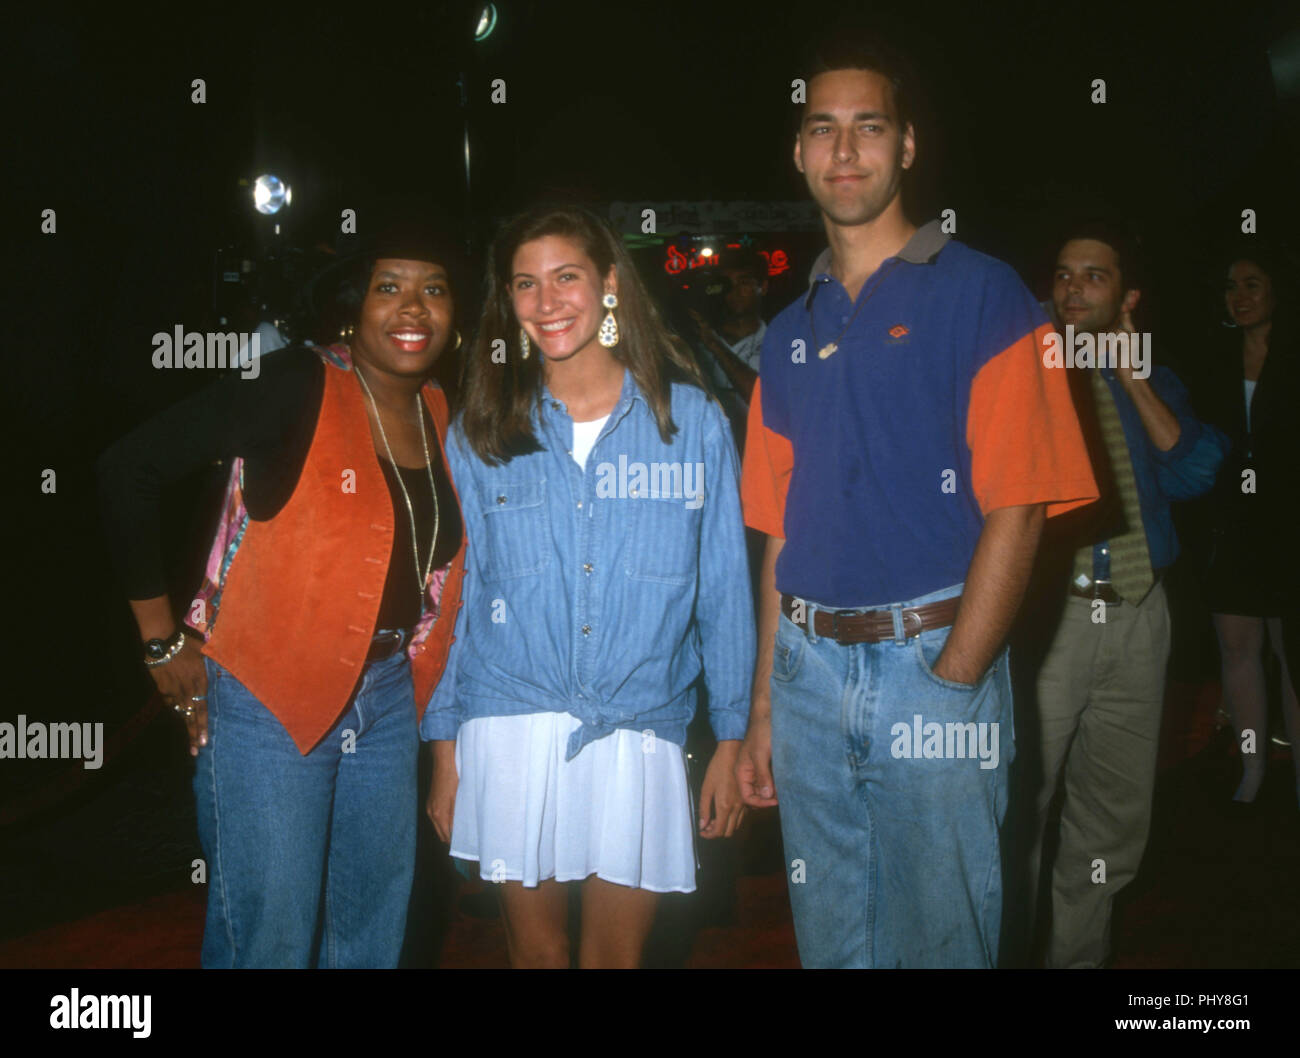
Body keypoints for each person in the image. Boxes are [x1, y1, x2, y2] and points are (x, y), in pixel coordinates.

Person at [735, 33, 1099, 969]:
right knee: (835, 948)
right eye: (823, 129)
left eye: (869, 127)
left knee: (946, 947)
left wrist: (955, 679)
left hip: (931, 664)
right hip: (808, 678)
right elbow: (781, 529)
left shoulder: (988, 295)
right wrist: (766, 710)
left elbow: (1020, 506)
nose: (844, 150)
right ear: (800, 151)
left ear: (906, 148)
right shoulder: (784, 334)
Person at [97, 220, 467, 968]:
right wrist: (161, 640)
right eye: (387, 287)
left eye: (433, 289)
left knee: (370, 935)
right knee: (269, 938)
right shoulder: (296, 383)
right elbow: (126, 468)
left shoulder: (436, 410)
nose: (412, 308)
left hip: (389, 700)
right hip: (272, 698)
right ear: (351, 305)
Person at [421, 204, 754, 969]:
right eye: (525, 285)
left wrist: (732, 736)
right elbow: (451, 600)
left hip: (640, 727)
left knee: (616, 962)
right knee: (536, 957)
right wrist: (444, 749)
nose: (547, 303)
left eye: (566, 277)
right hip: (506, 722)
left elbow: (725, 591)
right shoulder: (479, 431)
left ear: (608, 285)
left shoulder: (691, 421)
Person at [1019, 223, 1228, 969]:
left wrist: (1131, 373)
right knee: (1025, 812)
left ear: (1128, 296)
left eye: (1095, 277)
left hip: (1141, 614)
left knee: (1112, 828)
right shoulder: (1029, 370)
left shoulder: (1153, 380)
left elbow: (1195, 469)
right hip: (1056, 619)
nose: (1072, 289)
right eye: (1064, 275)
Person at [1198, 245, 1300, 806]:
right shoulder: (1213, 358)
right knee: (1237, 648)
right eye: (1231, 287)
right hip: (1231, 522)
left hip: (1289, 525)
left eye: (1252, 284)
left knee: (1291, 653)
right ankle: (1252, 769)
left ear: (1277, 292)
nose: (1239, 296)